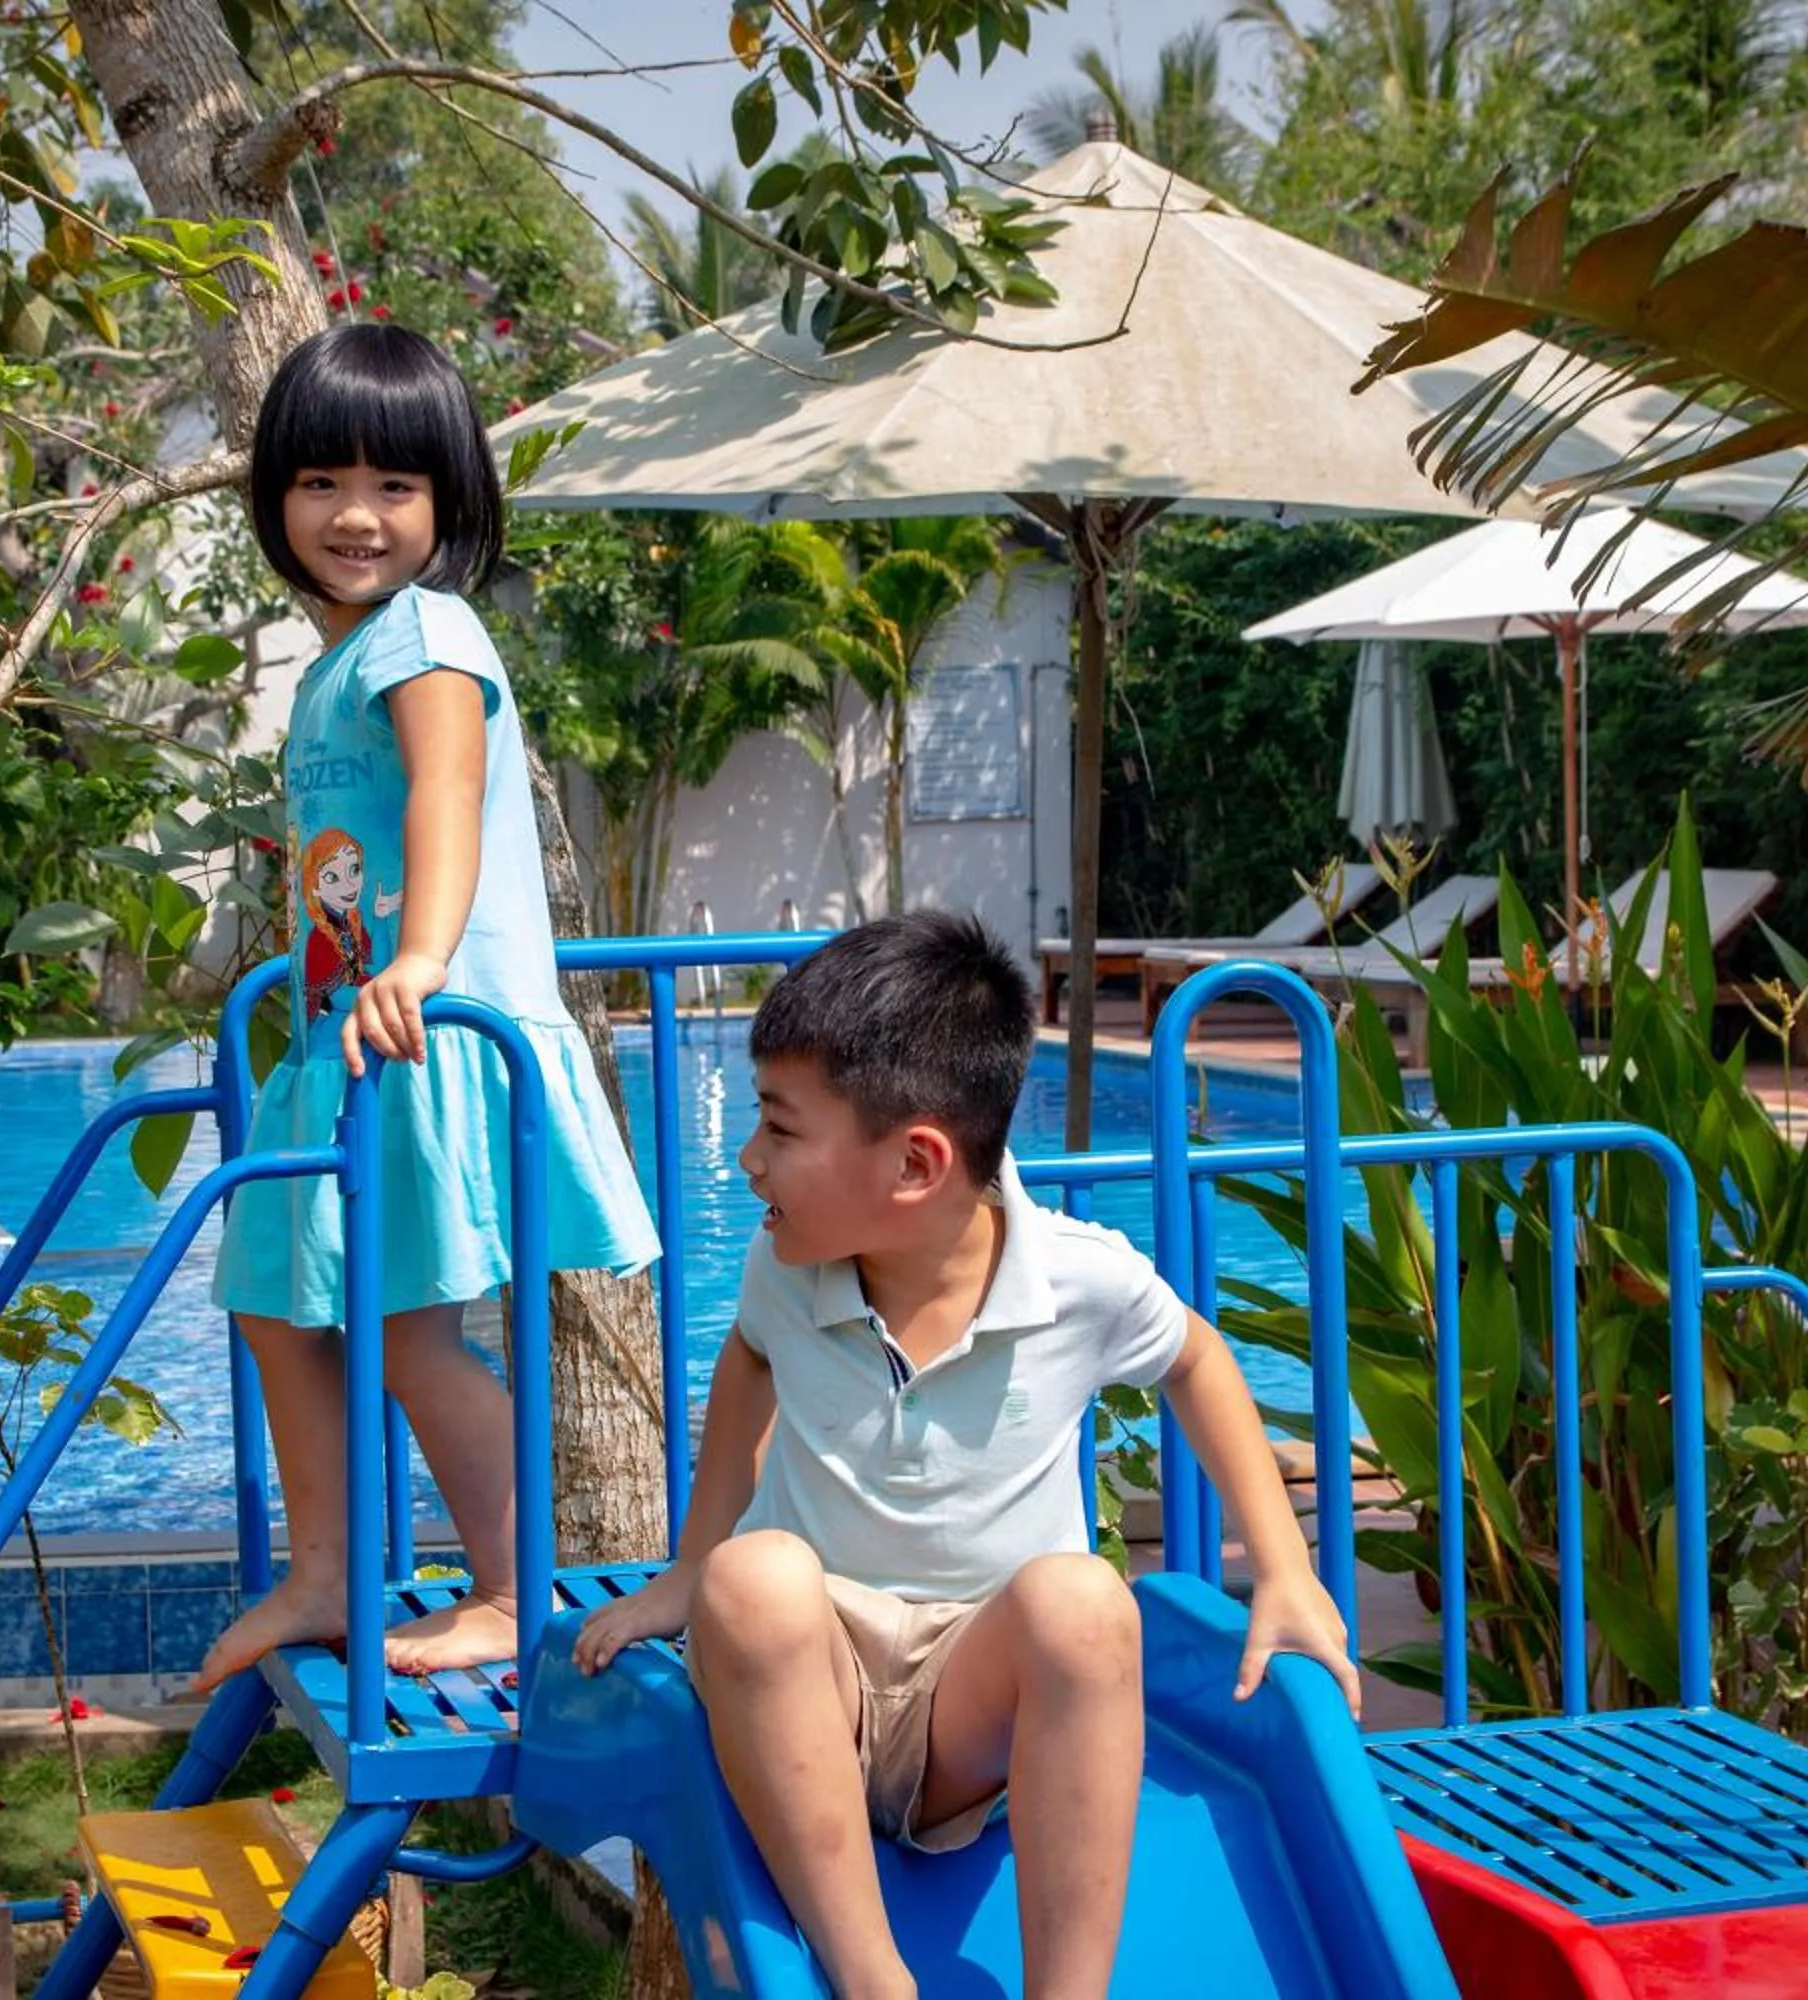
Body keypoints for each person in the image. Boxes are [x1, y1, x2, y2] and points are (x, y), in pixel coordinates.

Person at [572, 912, 1357, 2000]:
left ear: (916, 1162)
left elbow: (1198, 1359)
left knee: (1086, 1603)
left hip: (969, 1710)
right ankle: (871, 1976)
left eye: (779, 1128)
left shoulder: (1080, 1277)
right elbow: (747, 1362)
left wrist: (1283, 1567)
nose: (749, 1159)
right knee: (749, 1579)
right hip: (813, 1677)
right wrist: (692, 1560)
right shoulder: (784, 1268)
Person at [199, 322, 658, 1687]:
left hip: (428, 1026)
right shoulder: (341, 654)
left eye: (396, 486)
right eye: (322, 482)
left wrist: (423, 960)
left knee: (406, 1331)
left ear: (449, 502)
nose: (356, 514)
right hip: (354, 1037)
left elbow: (449, 794)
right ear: (275, 495)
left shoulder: (429, 631)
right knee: (276, 1301)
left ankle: (516, 1591)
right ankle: (330, 1571)